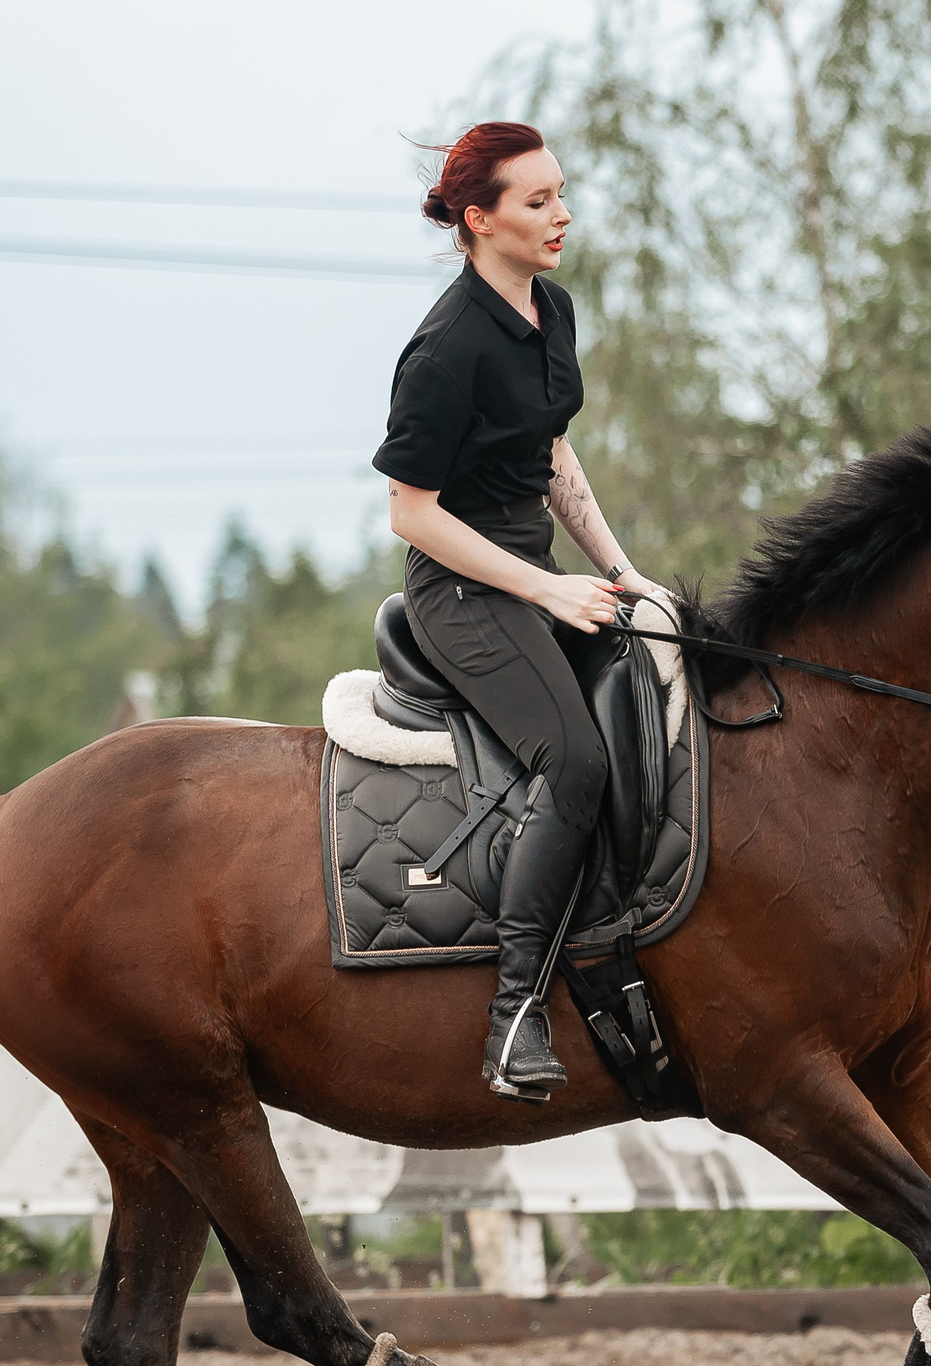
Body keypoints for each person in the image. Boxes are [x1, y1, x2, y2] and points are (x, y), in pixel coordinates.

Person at [373, 121, 672, 1097]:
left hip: (541, 574)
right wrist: (544, 586)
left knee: (655, 701)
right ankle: (513, 1017)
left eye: (560, 194)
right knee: (576, 758)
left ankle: (619, 935)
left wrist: (625, 571)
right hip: (461, 592)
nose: (563, 214)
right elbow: (408, 513)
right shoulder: (445, 347)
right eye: (538, 201)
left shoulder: (554, 309)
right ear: (478, 219)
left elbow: (552, 457)